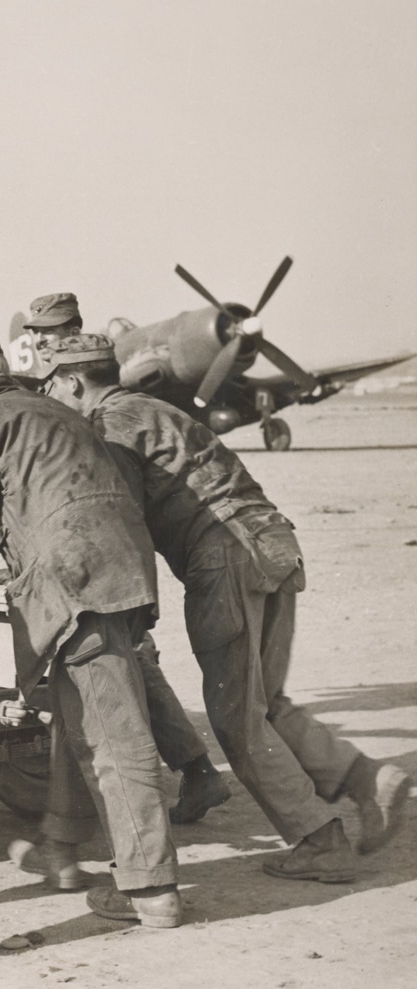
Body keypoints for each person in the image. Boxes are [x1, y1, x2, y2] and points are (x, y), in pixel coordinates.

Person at [37, 333, 412, 880]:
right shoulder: (156, 409)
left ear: (71, 381)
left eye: (51, 385)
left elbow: (118, 524)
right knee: (268, 703)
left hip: (223, 555)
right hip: (273, 540)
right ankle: (367, 782)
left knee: (236, 718)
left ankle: (319, 841)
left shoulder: (106, 427)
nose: (51, 396)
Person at [0, 330, 183, 928]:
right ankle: (60, 851)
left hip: (75, 580)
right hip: (116, 566)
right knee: (81, 720)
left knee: (111, 737)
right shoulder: (52, 408)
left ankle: (152, 889)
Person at [12, 294, 230, 826]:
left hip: (95, 550)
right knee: (129, 664)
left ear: (75, 329)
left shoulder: (87, 381)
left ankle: (86, 823)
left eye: (56, 329)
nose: (45, 339)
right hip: (81, 543)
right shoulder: (47, 377)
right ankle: (195, 771)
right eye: (39, 332)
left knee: (115, 666)